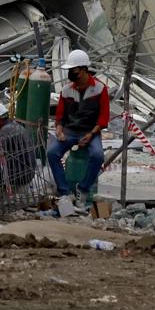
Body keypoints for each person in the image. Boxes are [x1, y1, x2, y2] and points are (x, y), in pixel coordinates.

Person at [47, 48, 108, 207]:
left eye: (74, 70)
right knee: (52, 152)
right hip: (70, 131)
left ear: (84, 70)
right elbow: (60, 116)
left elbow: (103, 118)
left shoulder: (100, 89)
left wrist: (91, 134)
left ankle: (83, 188)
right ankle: (65, 192)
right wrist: (59, 131)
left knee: (98, 155)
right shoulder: (66, 90)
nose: (71, 74)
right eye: (70, 71)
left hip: (91, 132)